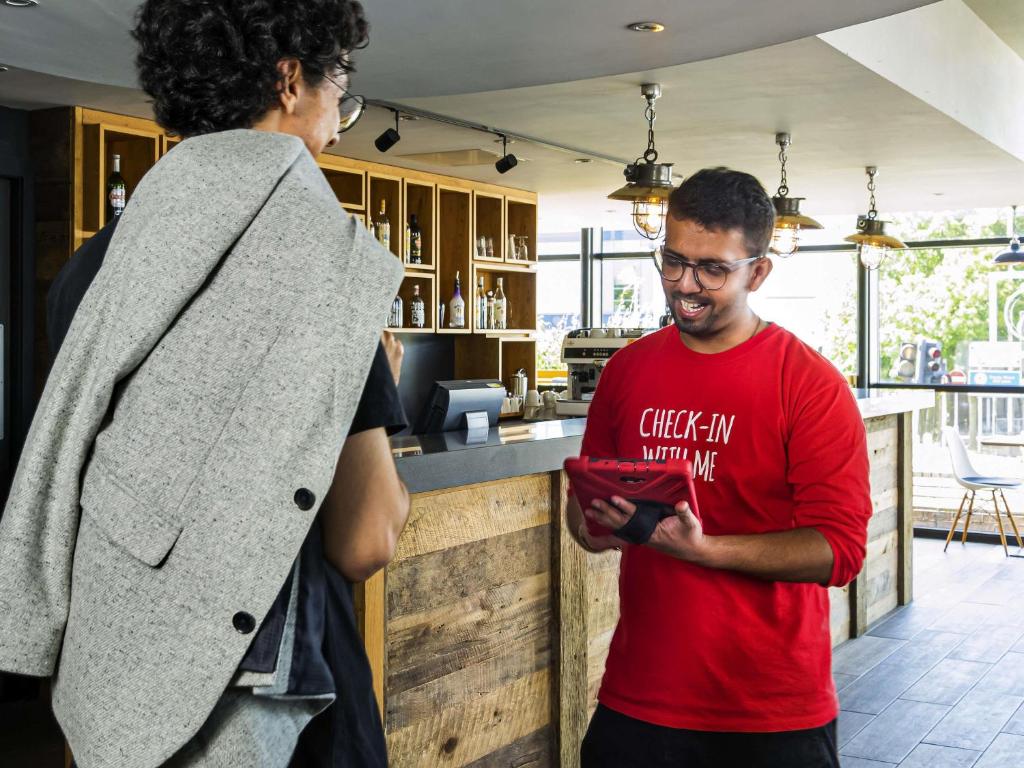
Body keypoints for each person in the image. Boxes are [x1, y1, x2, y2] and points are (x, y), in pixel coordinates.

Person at [0, 1, 409, 766]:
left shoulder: (96, 265)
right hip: (273, 705)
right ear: (290, 80)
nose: (336, 124)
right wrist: (379, 384)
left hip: (113, 686)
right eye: (339, 92)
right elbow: (366, 537)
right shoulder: (324, 263)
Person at [569, 168, 872, 768]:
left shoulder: (809, 384)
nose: (685, 284)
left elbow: (839, 551)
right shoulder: (626, 371)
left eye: (712, 269)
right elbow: (584, 523)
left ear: (757, 273)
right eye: (673, 261)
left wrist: (703, 550)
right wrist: (597, 523)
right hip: (639, 697)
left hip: (771, 711)